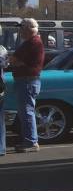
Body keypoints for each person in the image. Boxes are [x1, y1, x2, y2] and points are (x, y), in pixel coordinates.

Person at [9, 18, 44, 152]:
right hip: (27, 80)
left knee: (27, 112)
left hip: (27, 81)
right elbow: (15, 61)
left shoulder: (32, 43)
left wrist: (16, 62)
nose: (20, 30)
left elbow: (14, 59)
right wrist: (17, 62)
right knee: (26, 112)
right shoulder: (31, 42)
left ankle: (31, 142)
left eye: (22, 28)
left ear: (30, 29)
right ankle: (29, 140)